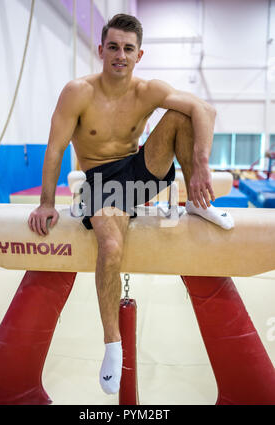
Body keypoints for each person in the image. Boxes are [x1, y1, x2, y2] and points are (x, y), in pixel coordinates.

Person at [28, 14, 234, 395]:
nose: (119, 55)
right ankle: (111, 344)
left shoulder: (148, 90)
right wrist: (45, 203)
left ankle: (195, 201)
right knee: (110, 247)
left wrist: (202, 167)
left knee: (181, 114)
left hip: (139, 171)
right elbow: (54, 148)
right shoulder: (78, 92)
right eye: (113, 47)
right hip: (100, 182)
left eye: (127, 49)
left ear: (139, 54)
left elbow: (206, 110)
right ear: (100, 49)